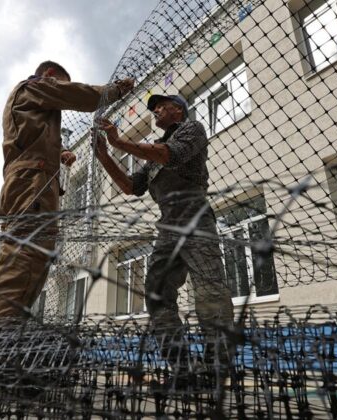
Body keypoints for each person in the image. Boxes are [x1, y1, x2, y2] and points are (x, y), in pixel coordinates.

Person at [94, 94, 235, 385]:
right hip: (168, 228)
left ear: (179, 111)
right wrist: (104, 155)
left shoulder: (191, 130)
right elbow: (131, 187)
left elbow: (170, 154)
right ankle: (183, 368)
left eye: (162, 106)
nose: (156, 110)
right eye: (154, 108)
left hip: (196, 220)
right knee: (157, 295)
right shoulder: (153, 158)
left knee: (210, 292)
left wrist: (119, 143)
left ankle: (218, 368)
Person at [0, 61, 134, 319]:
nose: (59, 88)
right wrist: (116, 90)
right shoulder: (33, 87)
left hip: (30, 181)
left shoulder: (30, 100)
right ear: (50, 75)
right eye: (59, 83)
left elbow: (32, 133)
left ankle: (4, 337)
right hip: (33, 184)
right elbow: (78, 96)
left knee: (31, 260)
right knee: (24, 259)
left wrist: (60, 152)